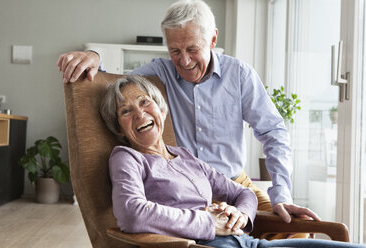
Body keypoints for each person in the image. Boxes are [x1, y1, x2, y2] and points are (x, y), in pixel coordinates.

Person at [58, 0, 319, 231]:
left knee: (296, 229)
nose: (183, 61)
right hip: (182, 190)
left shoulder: (240, 75)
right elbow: (117, 85)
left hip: (235, 185)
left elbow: (273, 132)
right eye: (175, 51)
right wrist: (94, 56)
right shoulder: (157, 73)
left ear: (213, 40)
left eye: (192, 49)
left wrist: (281, 194)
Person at [99, 75, 365, 248]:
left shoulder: (184, 156)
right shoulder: (127, 158)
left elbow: (242, 193)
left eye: (145, 102)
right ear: (119, 128)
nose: (139, 114)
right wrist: (206, 222)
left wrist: (240, 216)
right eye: (126, 111)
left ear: (160, 109)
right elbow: (130, 213)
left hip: (247, 242)